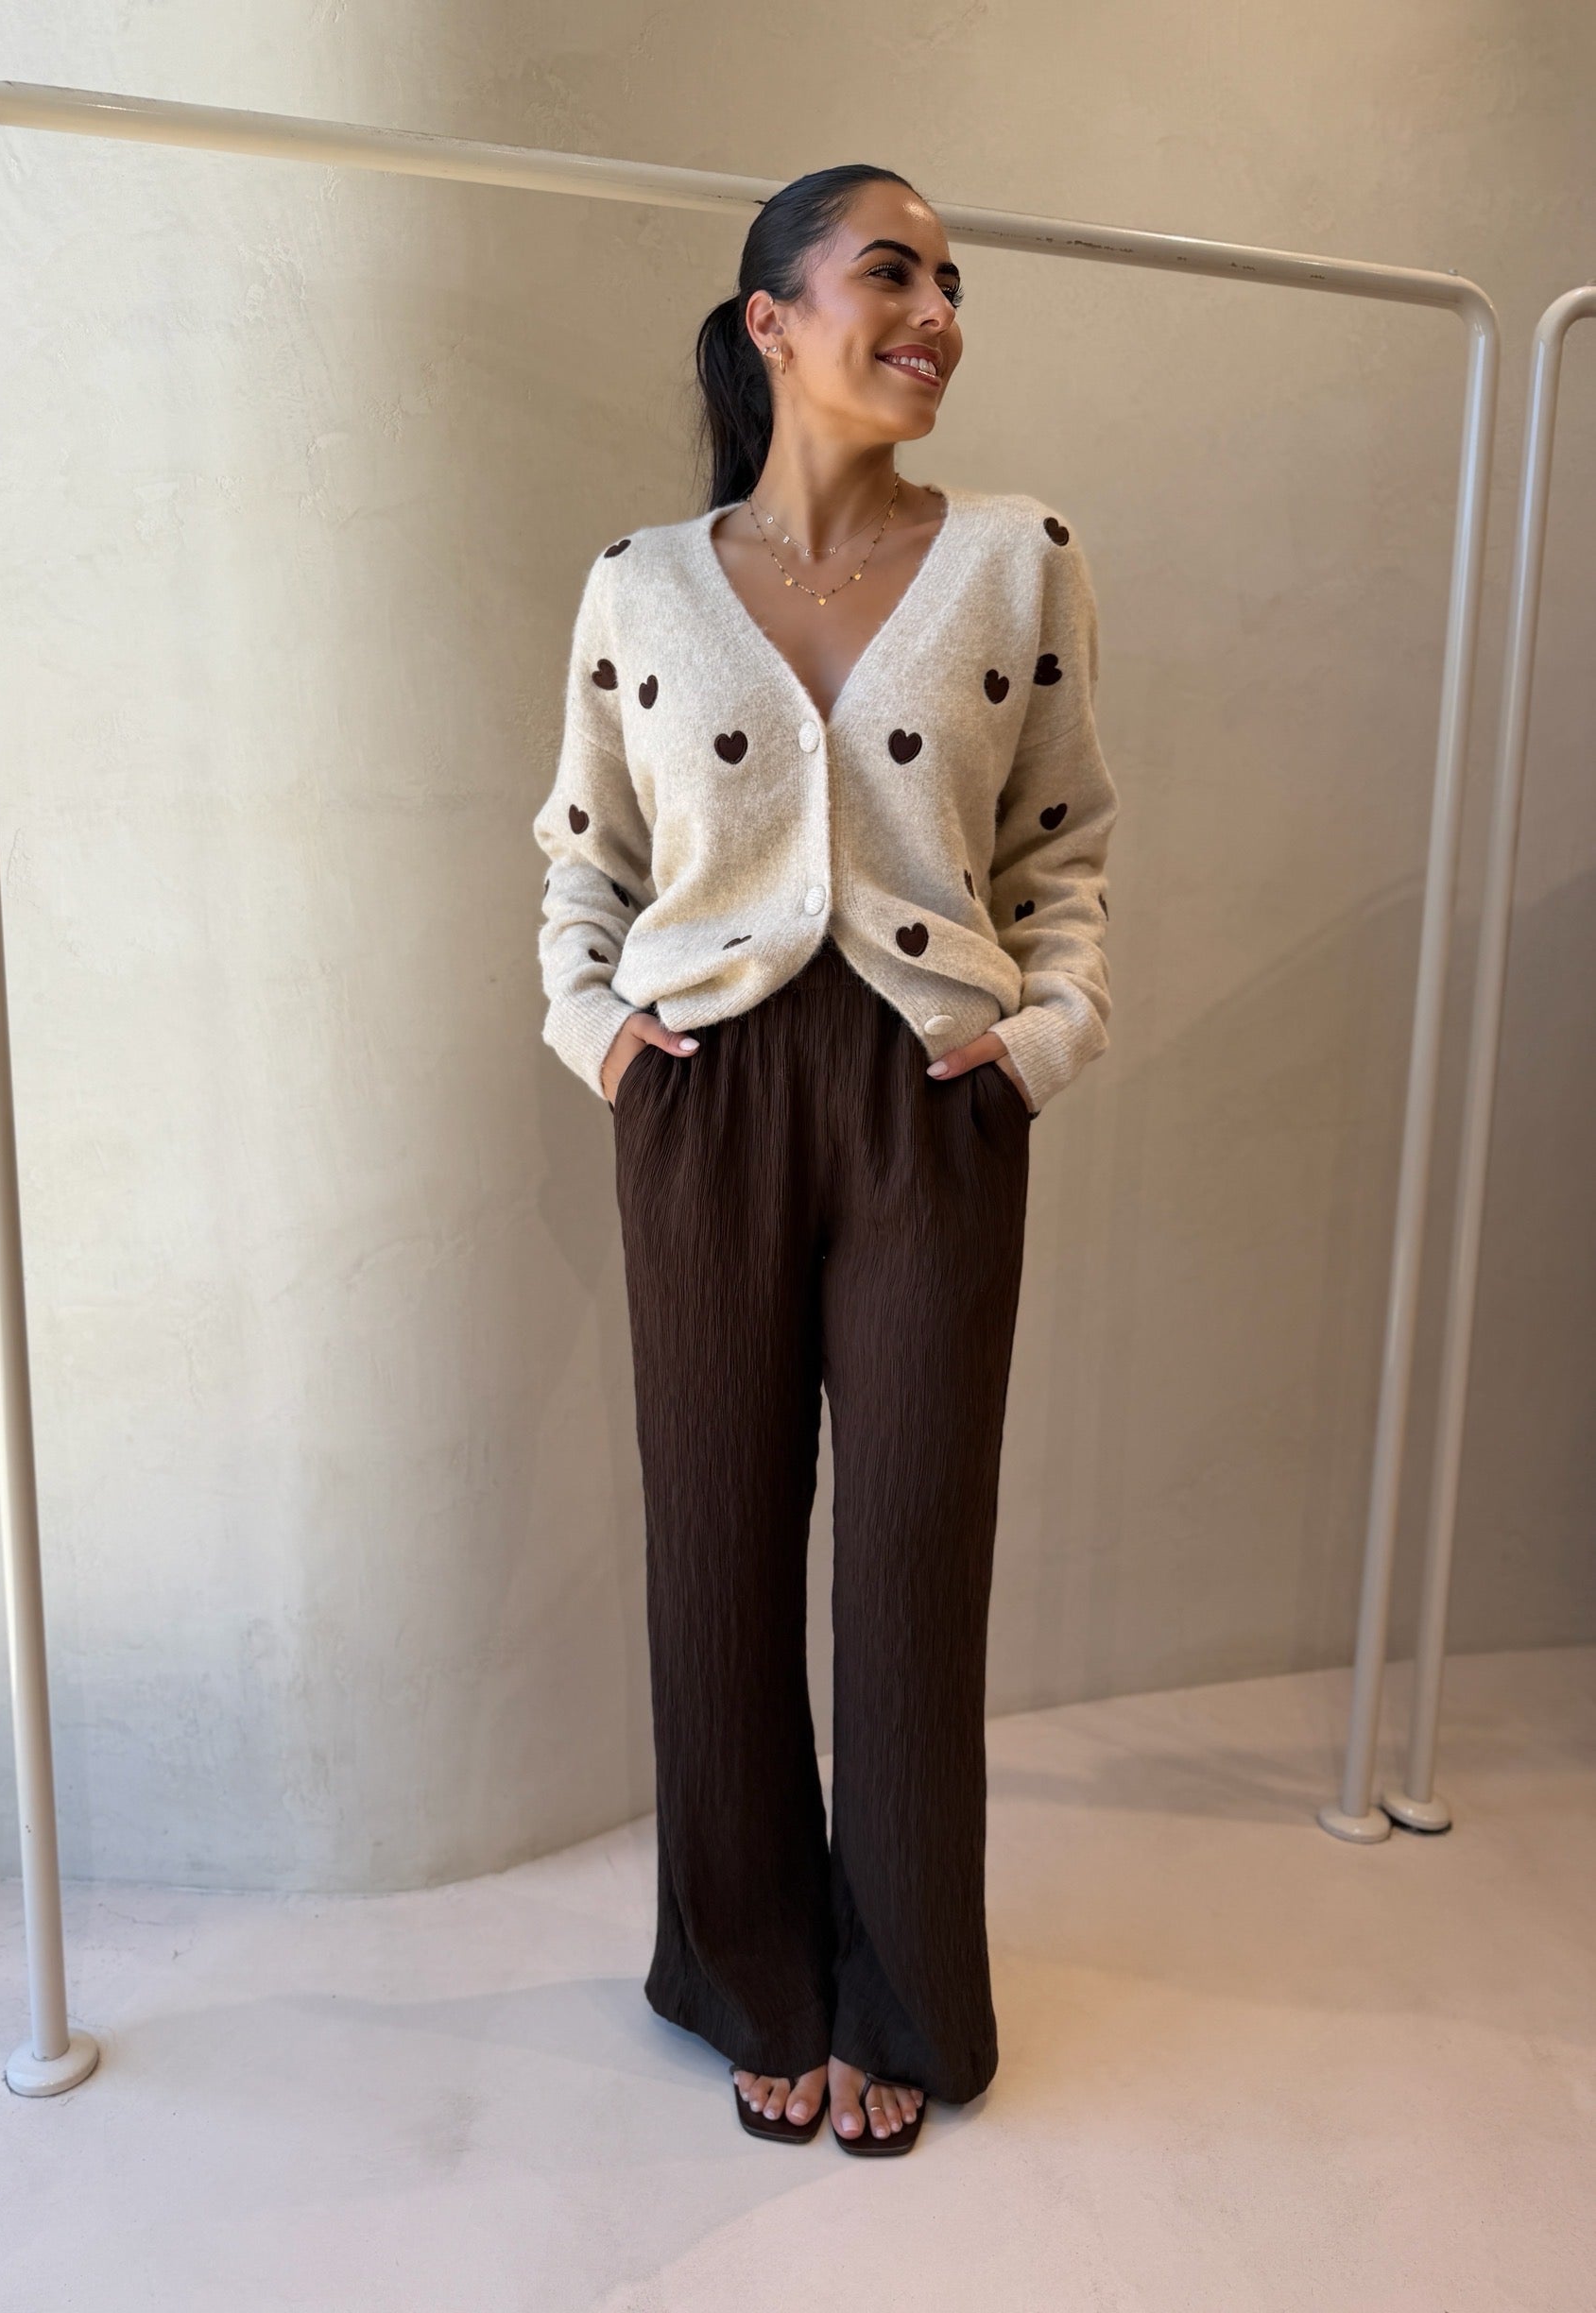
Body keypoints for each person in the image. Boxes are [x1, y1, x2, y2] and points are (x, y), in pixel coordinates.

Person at [532, 163, 1118, 2153]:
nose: (938, 311)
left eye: (953, 281)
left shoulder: (1021, 557)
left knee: (914, 1561)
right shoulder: (640, 581)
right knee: (712, 1548)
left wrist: (1041, 1042)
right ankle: (746, 1976)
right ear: (772, 320)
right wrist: (603, 1038)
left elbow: (1064, 850)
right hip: (701, 1096)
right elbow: (587, 857)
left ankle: (904, 1994)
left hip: (932, 1093)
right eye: (894, 273)